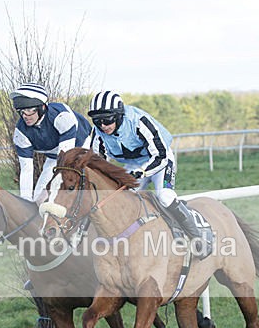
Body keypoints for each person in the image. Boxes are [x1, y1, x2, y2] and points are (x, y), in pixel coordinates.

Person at [87, 90, 212, 258]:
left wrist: (143, 172)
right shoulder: (98, 133)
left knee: (165, 197)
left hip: (160, 159)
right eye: (97, 120)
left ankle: (198, 238)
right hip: (134, 164)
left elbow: (160, 155)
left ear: (118, 115)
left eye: (107, 119)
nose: (103, 125)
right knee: (121, 200)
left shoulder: (139, 122)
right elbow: (98, 164)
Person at [10, 83, 92, 203]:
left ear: (42, 108)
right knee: (37, 199)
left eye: (29, 110)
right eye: (21, 111)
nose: (25, 116)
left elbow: (65, 162)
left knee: (64, 192)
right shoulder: (20, 133)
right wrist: (25, 202)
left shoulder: (62, 117)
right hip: (54, 156)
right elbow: (26, 170)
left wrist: (48, 189)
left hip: (81, 146)